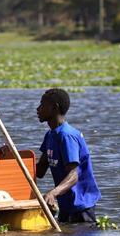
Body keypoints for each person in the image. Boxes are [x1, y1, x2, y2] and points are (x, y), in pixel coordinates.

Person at [20, 88, 101, 223]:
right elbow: (39, 171)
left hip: (81, 206)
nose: (38, 109)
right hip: (65, 204)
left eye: (42, 105)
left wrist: (52, 193)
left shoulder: (66, 136)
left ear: (54, 108)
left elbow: (73, 176)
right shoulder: (50, 135)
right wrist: (12, 160)